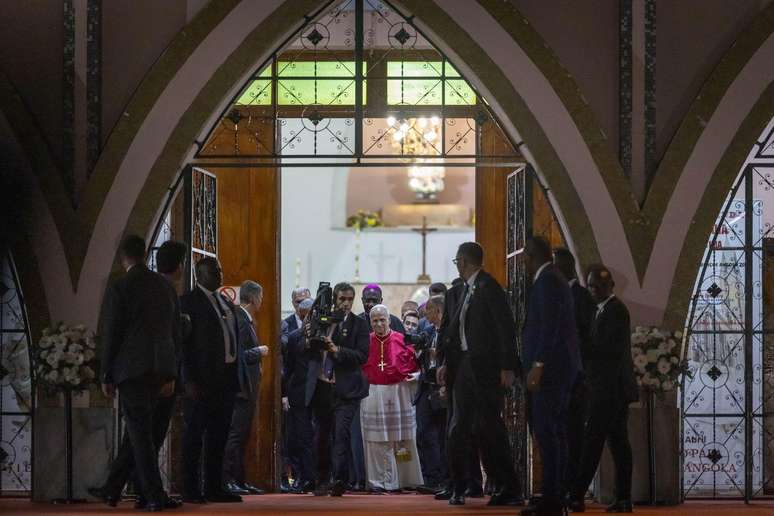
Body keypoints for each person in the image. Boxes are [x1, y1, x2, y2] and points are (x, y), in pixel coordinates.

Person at [97, 235, 181, 511]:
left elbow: (112, 333)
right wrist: (172, 372)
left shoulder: (121, 287)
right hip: (160, 367)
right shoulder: (164, 285)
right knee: (138, 432)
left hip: (132, 370)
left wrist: (106, 374)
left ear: (123, 258)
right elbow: (175, 331)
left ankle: (154, 495)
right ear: (145, 254)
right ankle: (112, 488)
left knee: (140, 434)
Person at [437, 242, 523, 507]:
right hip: (462, 365)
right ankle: (458, 485)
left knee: (488, 428)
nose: (458, 266)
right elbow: (449, 329)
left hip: (485, 368)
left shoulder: (489, 287)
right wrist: (442, 362)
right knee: (457, 427)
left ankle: (508, 486)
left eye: (457, 262)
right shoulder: (459, 291)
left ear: (464, 262)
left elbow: (505, 329)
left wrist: (507, 367)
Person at [569, 267, 637, 514]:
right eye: (591, 286)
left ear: (610, 287)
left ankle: (576, 495)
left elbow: (605, 351)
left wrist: (580, 343)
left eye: (598, 286)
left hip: (610, 390)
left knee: (593, 441)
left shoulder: (615, 311)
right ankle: (624, 497)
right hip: (607, 388)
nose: (594, 290)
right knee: (618, 442)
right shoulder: (603, 310)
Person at [522, 237, 582, 516]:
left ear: (532, 256)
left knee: (548, 433)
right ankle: (553, 494)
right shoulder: (553, 278)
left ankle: (552, 499)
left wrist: (538, 364)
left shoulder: (547, 280)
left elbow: (549, 326)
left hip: (551, 370)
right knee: (553, 432)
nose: (523, 262)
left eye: (525, 256)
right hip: (558, 368)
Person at [180, 257, 242, 504]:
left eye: (220, 268)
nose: (220, 273)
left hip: (225, 379)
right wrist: (189, 379)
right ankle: (191, 488)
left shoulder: (224, 301)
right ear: (199, 275)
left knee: (219, 435)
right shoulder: (189, 302)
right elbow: (184, 345)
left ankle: (215, 486)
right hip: (202, 381)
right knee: (195, 435)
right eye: (214, 271)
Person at [304, 282, 370, 496]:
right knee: (321, 436)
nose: (346, 303)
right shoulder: (321, 319)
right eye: (342, 299)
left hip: (346, 388)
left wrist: (337, 349)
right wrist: (308, 338)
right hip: (322, 386)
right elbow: (302, 349)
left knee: (341, 434)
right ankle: (321, 480)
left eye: (350, 299)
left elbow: (362, 356)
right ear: (334, 299)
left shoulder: (359, 324)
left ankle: (340, 480)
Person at [360, 305, 423, 491]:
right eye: (375, 320)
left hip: (398, 393)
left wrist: (416, 377)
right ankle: (379, 481)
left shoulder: (402, 339)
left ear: (389, 320)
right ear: (370, 322)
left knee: (402, 439)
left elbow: (416, 366)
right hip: (373, 393)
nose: (379, 324)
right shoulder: (366, 341)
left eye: (382, 320)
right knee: (376, 440)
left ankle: (404, 480)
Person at [553, 247, 596, 497]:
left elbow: (583, 338)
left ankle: (572, 487)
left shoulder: (580, 297)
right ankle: (560, 485)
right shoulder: (558, 295)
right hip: (558, 377)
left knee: (574, 433)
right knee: (560, 432)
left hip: (576, 377)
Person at [224, 280, 269, 496]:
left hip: (248, 388)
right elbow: (238, 356)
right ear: (253, 298)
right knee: (235, 435)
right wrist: (258, 352)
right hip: (241, 388)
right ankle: (228, 480)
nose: (262, 302)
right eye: (260, 297)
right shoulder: (241, 320)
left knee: (242, 436)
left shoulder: (245, 319)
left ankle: (240, 480)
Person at [413, 295, 448, 491]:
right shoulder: (426, 331)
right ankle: (431, 479)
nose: (425, 314)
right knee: (425, 432)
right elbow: (419, 357)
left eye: (428, 310)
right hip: (426, 385)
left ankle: (445, 478)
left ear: (437, 311)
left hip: (443, 386)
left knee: (443, 434)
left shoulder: (449, 331)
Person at [280, 287, 311, 491]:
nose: (302, 306)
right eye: (298, 302)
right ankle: (300, 476)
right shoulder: (288, 329)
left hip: (319, 391)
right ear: (293, 304)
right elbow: (287, 366)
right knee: (297, 436)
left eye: (305, 301)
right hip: (298, 390)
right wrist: (284, 394)